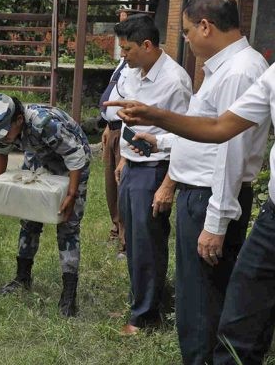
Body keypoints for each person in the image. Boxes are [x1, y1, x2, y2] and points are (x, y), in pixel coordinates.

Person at [107, 44, 275, 365]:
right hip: (204, 193)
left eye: (187, 31)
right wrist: (162, 136)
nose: (187, 41)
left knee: (201, 300)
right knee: (201, 297)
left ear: (206, 27)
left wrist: (217, 219)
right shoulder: (230, 70)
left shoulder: (238, 71)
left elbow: (229, 148)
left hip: (208, 195)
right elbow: (212, 129)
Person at [112, 14, 192, 335]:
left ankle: (146, 316)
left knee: (149, 243)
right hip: (132, 164)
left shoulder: (175, 81)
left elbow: (188, 135)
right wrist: (123, 158)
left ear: (147, 45)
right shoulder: (134, 71)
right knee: (132, 240)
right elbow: (131, 119)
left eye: (127, 49)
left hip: (156, 169)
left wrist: (168, 184)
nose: (123, 55)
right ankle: (139, 302)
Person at [0, 93, 91, 317]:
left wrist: (71, 194)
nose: (2, 138)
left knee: (67, 225)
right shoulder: (1, 123)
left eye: (5, 132)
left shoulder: (44, 124)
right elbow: (1, 153)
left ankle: (69, 295)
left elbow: (75, 155)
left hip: (71, 162)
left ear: (19, 120)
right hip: (39, 157)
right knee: (29, 218)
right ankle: (22, 278)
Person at [98, 8, 131, 256]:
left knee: (123, 185)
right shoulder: (123, 61)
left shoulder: (137, 63)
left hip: (125, 131)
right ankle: (115, 227)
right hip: (111, 130)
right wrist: (106, 127)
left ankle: (125, 241)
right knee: (111, 184)